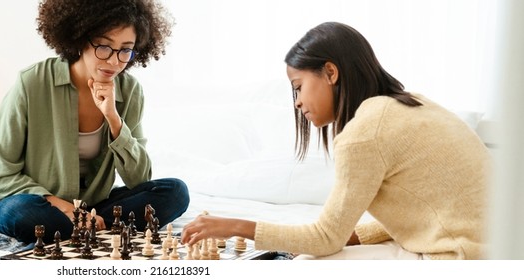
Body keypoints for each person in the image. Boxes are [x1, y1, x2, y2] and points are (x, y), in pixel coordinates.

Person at [180, 22, 491, 260]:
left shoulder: (365, 133)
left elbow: (325, 238)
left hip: (463, 259)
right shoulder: (415, 104)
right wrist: (354, 235)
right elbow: (426, 212)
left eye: (298, 86)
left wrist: (235, 226)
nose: (297, 103)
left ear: (330, 72)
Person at [0, 0, 189, 244]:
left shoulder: (130, 91)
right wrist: (64, 207)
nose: (114, 61)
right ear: (80, 39)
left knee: (175, 193)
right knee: (26, 213)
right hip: (26, 203)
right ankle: (90, 226)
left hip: (91, 206)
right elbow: (0, 176)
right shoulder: (32, 82)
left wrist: (113, 117)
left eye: (125, 50)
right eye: (104, 47)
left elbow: (139, 179)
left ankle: (87, 227)